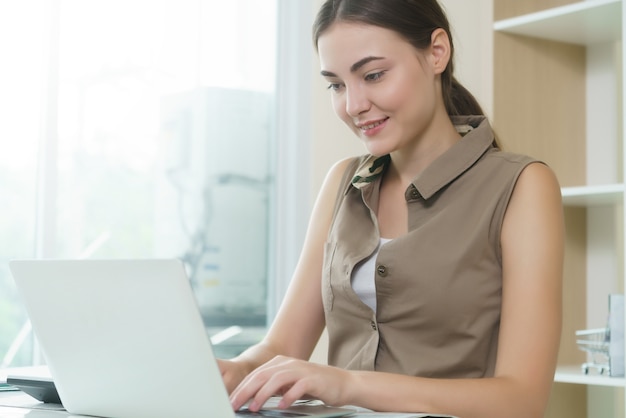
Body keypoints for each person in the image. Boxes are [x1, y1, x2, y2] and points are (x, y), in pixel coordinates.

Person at [220, 1, 564, 417]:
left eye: (373, 75)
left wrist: (348, 384)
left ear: (437, 52)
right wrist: (234, 370)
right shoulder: (342, 183)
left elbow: (521, 400)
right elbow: (281, 348)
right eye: (336, 85)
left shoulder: (521, 185)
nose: (353, 105)